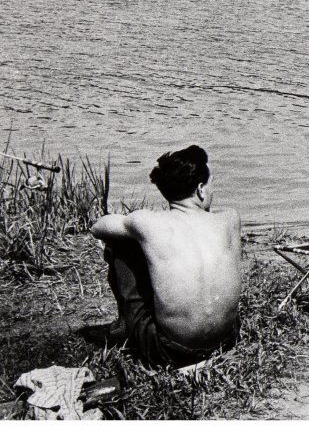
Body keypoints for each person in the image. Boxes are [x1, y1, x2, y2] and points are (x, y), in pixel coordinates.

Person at [89, 145, 242, 366]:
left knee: (120, 242)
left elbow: (97, 228)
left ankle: (126, 325)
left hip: (170, 352)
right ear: (200, 189)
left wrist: (136, 233)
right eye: (211, 185)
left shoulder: (148, 222)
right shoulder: (230, 218)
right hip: (226, 341)